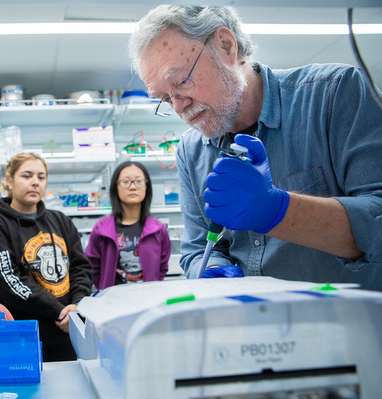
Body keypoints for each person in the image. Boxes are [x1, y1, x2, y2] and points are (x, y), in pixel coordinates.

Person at [128, 5, 382, 290]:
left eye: (182, 82)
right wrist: (213, 268)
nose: (178, 105)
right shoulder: (192, 150)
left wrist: (279, 211)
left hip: (351, 326)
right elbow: (199, 247)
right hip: (252, 326)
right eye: (164, 98)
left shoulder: (335, 94)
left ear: (225, 46)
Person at [0, 152, 92, 362]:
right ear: (9, 181)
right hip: (23, 336)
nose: (35, 182)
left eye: (41, 177)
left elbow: (80, 268)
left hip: (67, 332)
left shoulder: (60, 221)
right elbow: (9, 281)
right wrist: (58, 312)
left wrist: (77, 305)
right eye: (27, 176)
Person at [85, 161, 171, 289]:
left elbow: (162, 267)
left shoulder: (158, 229)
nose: (133, 187)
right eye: (126, 181)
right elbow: (92, 267)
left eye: (138, 181)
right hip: (113, 302)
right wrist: (105, 289)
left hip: (148, 300)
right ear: (116, 186)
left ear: (147, 186)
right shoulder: (101, 229)